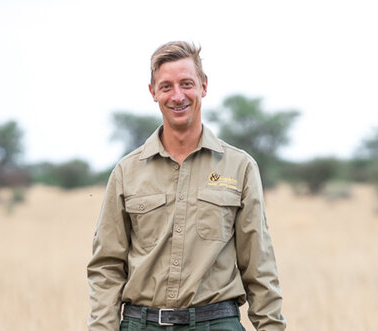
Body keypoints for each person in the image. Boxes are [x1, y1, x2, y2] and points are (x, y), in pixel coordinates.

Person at [87, 41, 286, 331]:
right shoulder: (126, 171)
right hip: (141, 325)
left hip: (217, 322)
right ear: (153, 92)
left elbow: (259, 263)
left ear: (204, 86)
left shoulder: (240, 167)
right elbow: (106, 265)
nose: (178, 96)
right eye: (166, 86)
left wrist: (270, 326)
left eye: (187, 84)